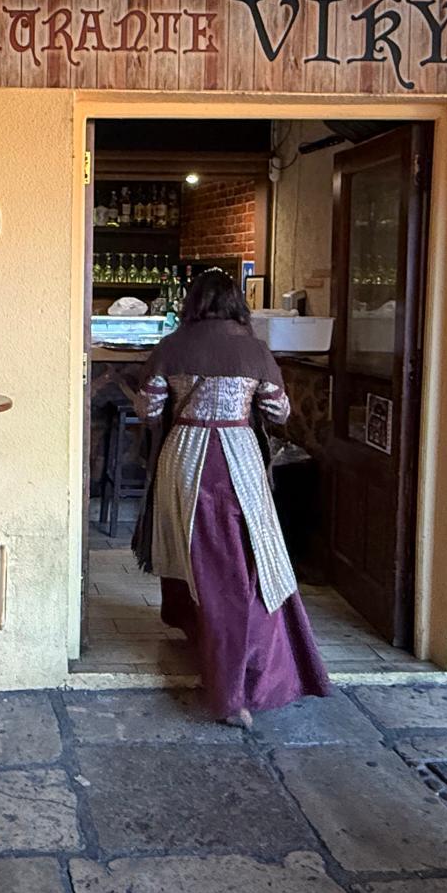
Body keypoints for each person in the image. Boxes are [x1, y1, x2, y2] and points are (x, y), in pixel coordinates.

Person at [132, 267, 330, 727]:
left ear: (193, 303)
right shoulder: (255, 349)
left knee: (198, 556)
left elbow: (150, 407)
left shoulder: (172, 347)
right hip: (238, 457)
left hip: (185, 456)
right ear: (236, 303)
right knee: (247, 558)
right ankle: (243, 674)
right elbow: (278, 410)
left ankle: (213, 657)